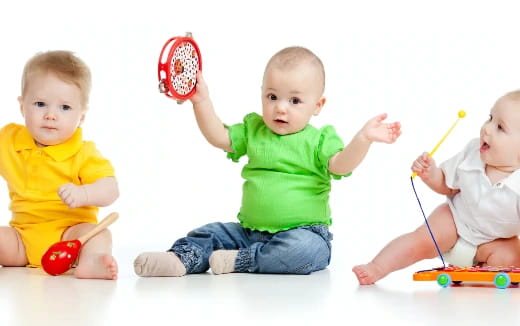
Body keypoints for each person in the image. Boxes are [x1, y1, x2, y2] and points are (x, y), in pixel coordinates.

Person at [134, 46, 401, 276]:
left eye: (295, 100)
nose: (281, 107)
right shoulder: (255, 129)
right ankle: (180, 260)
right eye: (272, 97)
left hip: (303, 232)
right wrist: (201, 102)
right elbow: (219, 136)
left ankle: (240, 261)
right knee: (209, 233)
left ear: (317, 105)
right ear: (262, 93)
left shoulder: (319, 140)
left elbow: (341, 165)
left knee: (308, 252)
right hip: (248, 232)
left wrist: (364, 138)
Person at [353, 90, 520, 285]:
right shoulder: (472, 153)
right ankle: (377, 267)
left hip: (494, 241)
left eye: (500, 127)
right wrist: (431, 174)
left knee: (510, 257)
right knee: (419, 241)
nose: (487, 129)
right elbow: (446, 184)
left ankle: (476, 282)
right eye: (490, 118)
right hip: (454, 221)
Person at [0, 50, 119, 280]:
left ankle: (91, 262)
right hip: (21, 239)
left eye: (65, 107)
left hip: (71, 239)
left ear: (81, 116)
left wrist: (84, 193)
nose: (51, 115)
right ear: (22, 106)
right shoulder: (8, 141)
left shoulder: (83, 153)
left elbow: (111, 189)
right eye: (40, 104)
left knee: (99, 234)